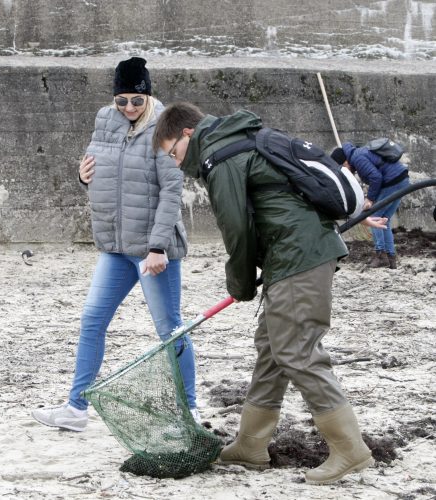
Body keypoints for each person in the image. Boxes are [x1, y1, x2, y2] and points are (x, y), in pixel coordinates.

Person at [152, 102, 375, 485]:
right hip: (292, 255)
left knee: (298, 350)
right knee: (272, 347)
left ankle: (350, 450)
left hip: (299, 256)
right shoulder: (238, 142)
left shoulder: (220, 158)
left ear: (188, 134)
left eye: (173, 153)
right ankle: (251, 445)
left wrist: (238, 283)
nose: (175, 163)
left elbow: (236, 229)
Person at [32, 58, 200, 432]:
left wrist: (157, 247)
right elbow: (102, 171)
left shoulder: (164, 128)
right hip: (114, 248)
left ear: (148, 96)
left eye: (136, 101)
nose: (127, 108)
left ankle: (190, 412)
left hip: (152, 251)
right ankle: (76, 408)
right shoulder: (104, 120)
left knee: (169, 329)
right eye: (121, 100)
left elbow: (172, 193)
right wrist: (81, 175)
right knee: (92, 321)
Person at [331, 143, 410, 269]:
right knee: (384, 220)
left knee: (374, 216)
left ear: (345, 161)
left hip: (393, 181)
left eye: (342, 166)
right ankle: (391, 257)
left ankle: (381, 255)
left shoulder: (357, 157)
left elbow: (376, 177)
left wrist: (370, 199)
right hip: (402, 180)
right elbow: (377, 175)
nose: (344, 170)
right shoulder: (360, 153)